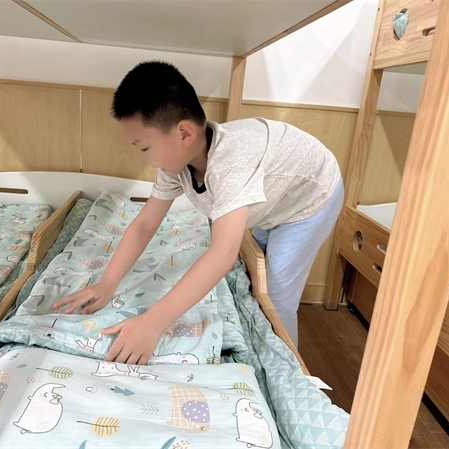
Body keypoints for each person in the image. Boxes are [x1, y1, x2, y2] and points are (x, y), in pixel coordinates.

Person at [54, 61, 343, 365]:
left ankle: (290, 371)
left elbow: (222, 254)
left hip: (309, 198)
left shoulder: (231, 165)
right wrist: (107, 283)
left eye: (144, 148)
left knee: (276, 298)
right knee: (259, 277)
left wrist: (152, 322)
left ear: (184, 133)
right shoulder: (177, 163)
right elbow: (145, 224)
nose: (145, 158)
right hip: (276, 192)